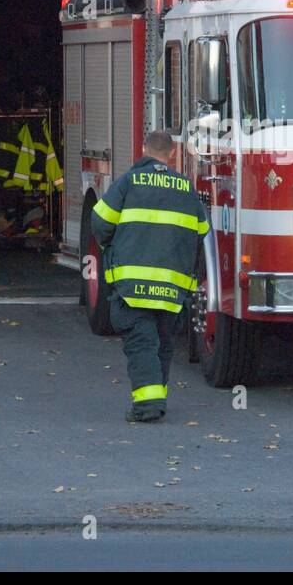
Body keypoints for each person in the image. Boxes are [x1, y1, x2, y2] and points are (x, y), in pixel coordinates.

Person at [90, 129, 210, 422]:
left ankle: (148, 406)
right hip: (171, 288)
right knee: (162, 341)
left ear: (143, 149)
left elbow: (100, 222)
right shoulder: (185, 187)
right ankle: (155, 398)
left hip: (132, 287)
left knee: (142, 342)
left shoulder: (129, 182)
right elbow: (202, 232)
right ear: (172, 154)